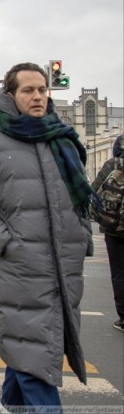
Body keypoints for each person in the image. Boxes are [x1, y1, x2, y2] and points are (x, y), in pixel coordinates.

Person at [0, 63, 95, 412]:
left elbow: (80, 201)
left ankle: (8, 404)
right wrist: (8, 243)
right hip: (17, 272)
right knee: (36, 362)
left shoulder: (62, 139)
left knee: (30, 349)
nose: (37, 96)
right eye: (27, 90)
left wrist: (80, 239)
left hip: (64, 271)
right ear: (10, 95)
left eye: (42, 89)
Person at [91, 134, 124, 332]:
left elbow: (94, 192)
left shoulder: (112, 165)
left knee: (119, 273)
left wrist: (101, 218)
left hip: (114, 230)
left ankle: (123, 317)